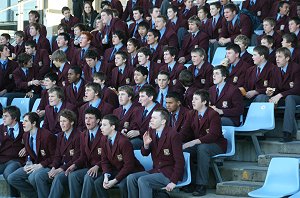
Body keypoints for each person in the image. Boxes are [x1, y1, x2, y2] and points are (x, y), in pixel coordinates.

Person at [127, 108, 184, 198]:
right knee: (131, 178)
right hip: (156, 170)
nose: (151, 120)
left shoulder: (173, 135)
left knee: (143, 180)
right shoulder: (151, 131)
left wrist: (173, 181)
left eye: (154, 118)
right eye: (151, 117)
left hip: (168, 173)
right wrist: (145, 145)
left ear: (163, 121)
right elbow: (144, 154)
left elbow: (180, 161)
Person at [180, 89, 227, 196]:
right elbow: (184, 132)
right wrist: (173, 141)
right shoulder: (191, 113)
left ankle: (201, 185)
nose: (192, 101)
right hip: (200, 144)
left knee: (203, 148)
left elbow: (213, 135)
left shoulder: (213, 114)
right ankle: (190, 181)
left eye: (196, 99)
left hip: (216, 145)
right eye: (192, 99)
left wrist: (194, 142)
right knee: (183, 150)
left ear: (204, 102)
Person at [255, 47, 300, 142]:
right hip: (283, 97)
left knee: (290, 98)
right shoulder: (275, 69)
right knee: (262, 97)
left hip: (296, 97)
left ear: (287, 58)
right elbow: (274, 87)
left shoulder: (296, 68)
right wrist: (270, 92)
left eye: (280, 57)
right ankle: (260, 130)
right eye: (276, 57)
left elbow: (296, 89)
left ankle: (287, 133)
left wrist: (279, 95)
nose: (277, 59)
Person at [93, 114, 144, 198]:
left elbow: (129, 166)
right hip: (116, 170)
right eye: (101, 125)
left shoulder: (124, 142)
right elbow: (104, 161)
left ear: (113, 127)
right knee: (98, 183)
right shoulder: (103, 139)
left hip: (131, 172)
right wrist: (106, 176)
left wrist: (114, 180)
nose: (101, 127)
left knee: (122, 185)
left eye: (104, 125)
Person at [7, 112, 56, 198]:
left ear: (34, 123)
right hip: (33, 165)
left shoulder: (47, 136)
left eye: (26, 121)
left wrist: (40, 165)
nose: (23, 123)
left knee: (33, 177)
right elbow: (29, 154)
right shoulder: (25, 135)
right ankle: (35, 195)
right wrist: (27, 163)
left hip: (47, 165)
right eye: (23, 121)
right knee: (12, 178)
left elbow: (54, 156)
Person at [34, 109, 80, 198]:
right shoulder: (60, 135)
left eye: (64, 121)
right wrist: (53, 167)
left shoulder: (78, 136)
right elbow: (57, 156)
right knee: (39, 176)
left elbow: (76, 158)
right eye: (60, 121)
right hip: (59, 167)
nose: (62, 124)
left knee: (58, 177)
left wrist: (60, 169)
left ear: (72, 122)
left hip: (71, 169)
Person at [65, 107, 103, 198]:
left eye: (91, 118)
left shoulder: (104, 133)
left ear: (98, 120)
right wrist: (74, 165)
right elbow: (83, 156)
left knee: (88, 176)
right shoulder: (83, 134)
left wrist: (97, 166)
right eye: (86, 118)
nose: (87, 121)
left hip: (103, 168)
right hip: (89, 167)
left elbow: (108, 157)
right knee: (73, 175)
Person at [124, 85, 160, 149]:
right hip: (137, 138)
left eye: (142, 96)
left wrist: (139, 132)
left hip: (152, 141)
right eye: (139, 96)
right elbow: (134, 124)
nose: (139, 99)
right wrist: (127, 130)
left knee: (129, 144)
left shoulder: (160, 110)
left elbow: (157, 129)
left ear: (151, 97)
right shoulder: (138, 109)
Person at [0, 106, 24, 197]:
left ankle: (14, 196)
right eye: (3, 116)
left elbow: (34, 140)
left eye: (6, 116)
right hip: (2, 159)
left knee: (8, 174)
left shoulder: (24, 127)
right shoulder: (0, 128)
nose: (3, 118)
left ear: (14, 118)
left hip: (16, 160)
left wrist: (26, 147)